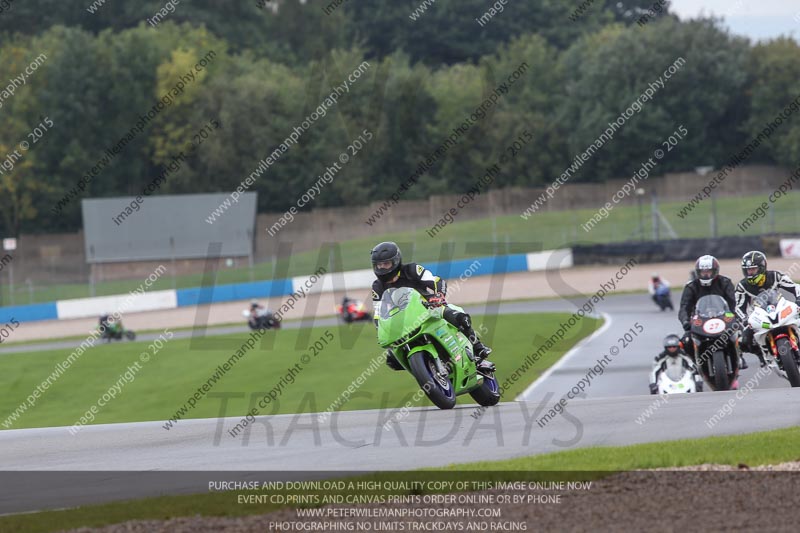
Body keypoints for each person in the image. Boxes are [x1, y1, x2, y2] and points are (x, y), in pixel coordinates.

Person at [370, 241, 493, 372]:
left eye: (386, 264)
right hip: (403, 322)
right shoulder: (377, 287)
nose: (382, 268)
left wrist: (438, 295)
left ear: (396, 261)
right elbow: (378, 313)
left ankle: (478, 348)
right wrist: (380, 329)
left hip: (429, 307)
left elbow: (436, 281)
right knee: (391, 359)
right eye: (379, 265)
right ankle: (424, 370)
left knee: (458, 317)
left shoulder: (412, 270)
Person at [734, 250, 800, 368]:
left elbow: (795, 288)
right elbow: (738, 307)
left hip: (779, 307)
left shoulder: (776, 276)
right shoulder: (742, 286)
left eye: (753, 269)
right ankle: (762, 356)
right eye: (747, 270)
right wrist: (744, 320)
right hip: (758, 316)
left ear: (762, 267)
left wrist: (799, 300)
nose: (750, 273)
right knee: (744, 340)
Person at [678, 255, 740, 364]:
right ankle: (695, 362)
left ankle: (739, 356)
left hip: (723, 317)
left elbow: (734, 301)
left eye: (709, 271)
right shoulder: (691, 287)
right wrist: (685, 321)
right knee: (686, 341)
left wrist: (736, 315)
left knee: (741, 334)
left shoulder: (725, 282)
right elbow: (684, 307)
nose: (706, 274)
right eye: (703, 272)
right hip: (700, 320)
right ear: (698, 272)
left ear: (715, 271)